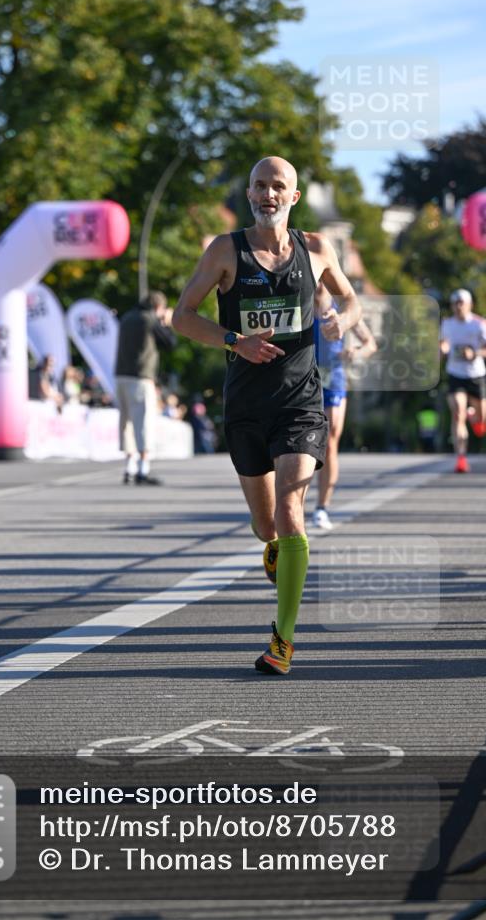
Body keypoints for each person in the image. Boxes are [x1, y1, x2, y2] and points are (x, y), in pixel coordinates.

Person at [173, 156, 361, 675]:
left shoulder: (317, 250)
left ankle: (283, 640)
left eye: (278, 186)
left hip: (301, 403)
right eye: (259, 185)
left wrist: (340, 321)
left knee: (290, 507)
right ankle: (274, 547)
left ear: (293, 197)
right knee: (265, 525)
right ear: (249, 194)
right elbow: (181, 317)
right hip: (247, 407)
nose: (267, 194)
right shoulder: (224, 251)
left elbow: (353, 302)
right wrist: (235, 340)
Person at [312, 281, 377, 531]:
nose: (318, 284)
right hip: (303, 381)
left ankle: (321, 507)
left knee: (329, 442)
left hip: (334, 380)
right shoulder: (300, 308)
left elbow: (370, 344)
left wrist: (355, 353)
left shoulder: (343, 311)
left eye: (322, 279)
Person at [115, 291, 177, 485]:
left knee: (126, 423)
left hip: (120, 375)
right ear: (159, 307)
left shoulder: (126, 318)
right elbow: (170, 343)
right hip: (141, 377)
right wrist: (165, 322)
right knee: (143, 423)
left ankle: (129, 467)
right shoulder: (149, 319)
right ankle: (143, 469)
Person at [440, 288, 486, 473]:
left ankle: (475, 417)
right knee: (458, 413)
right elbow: (444, 343)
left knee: (481, 425)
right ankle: (461, 459)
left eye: (461, 303)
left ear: (469, 304)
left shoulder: (480, 324)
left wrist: (475, 353)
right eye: (454, 303)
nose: (458, 307)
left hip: (476, 376)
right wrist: (442, 349)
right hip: (456, 375)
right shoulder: (447, 324)